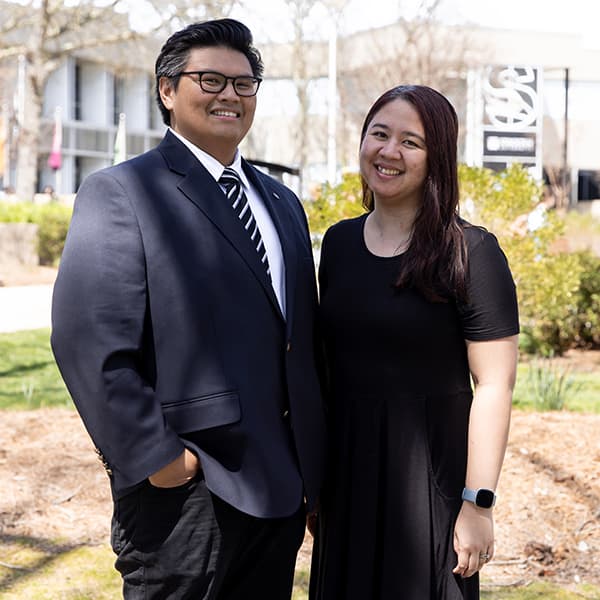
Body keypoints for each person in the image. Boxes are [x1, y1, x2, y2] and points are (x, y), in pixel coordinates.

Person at [51, 18, 326, 600]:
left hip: (278, 488)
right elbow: (89, 343)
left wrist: (312, 474)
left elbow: (296, 343)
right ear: (167, 90)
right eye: (210, 79)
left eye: (244, 83)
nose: (230, 94)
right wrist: (160, 460)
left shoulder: (282, 203)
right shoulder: (124, 192)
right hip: (185, 496)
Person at [309, 85, 519, 600]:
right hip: (347, 483)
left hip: (432, 487)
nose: (388, 152)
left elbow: (494, 384)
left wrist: (478, 503)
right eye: (379, 134)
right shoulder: (337, 244)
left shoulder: (471, 252)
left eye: (411, 142)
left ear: (438, 160)